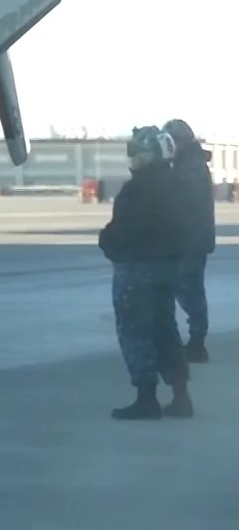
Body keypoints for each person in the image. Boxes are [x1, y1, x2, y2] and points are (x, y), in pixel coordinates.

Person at [98, 125, 192, 420]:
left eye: (136, 152)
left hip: (138, 267)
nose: (133, 159)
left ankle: (146, 398)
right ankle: (181, 396)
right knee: (166, 329)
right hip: (168, 267)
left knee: (136, 330)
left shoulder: (138, 187)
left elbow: (126, 229)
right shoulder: (177, 183)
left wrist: (106, 241)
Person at [163, 119, 215, 363]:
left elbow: (184, 203)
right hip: (189, 239)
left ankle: (197, 343)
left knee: (190, 292)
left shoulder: (191, 168)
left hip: (191, 240)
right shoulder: (187, 164)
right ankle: (195, 342)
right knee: (188, 291)